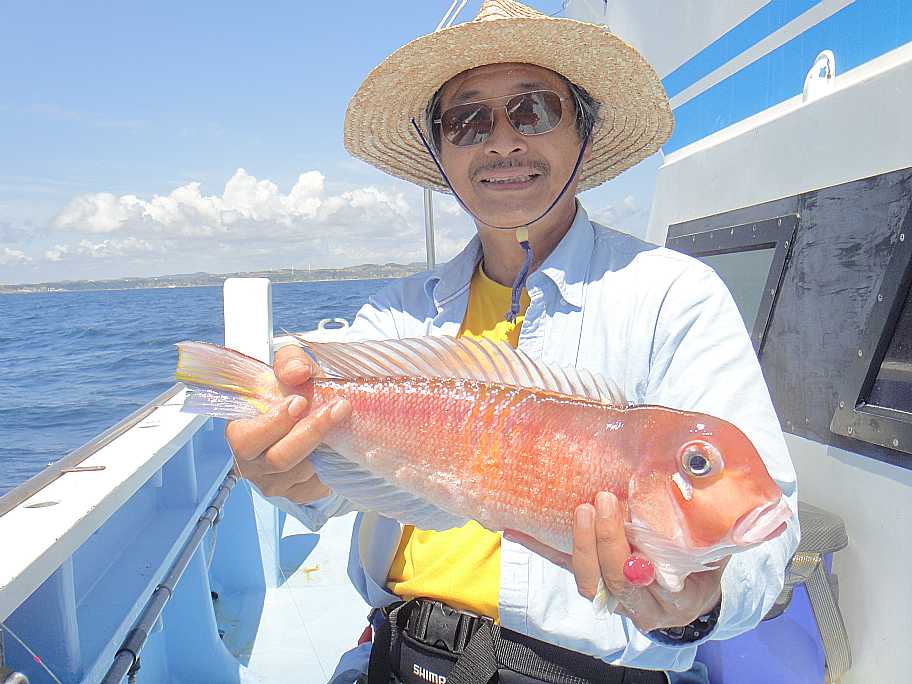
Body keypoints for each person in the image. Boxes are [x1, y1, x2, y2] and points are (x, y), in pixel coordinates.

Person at [225, 1, 800, 682]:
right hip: (395, 655)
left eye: (534, 111)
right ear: (440, 150)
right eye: (467, 121)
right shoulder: (397, 312)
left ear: (584, 133)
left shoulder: (674, 295)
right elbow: (328, 489)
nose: (501, 142)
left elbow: (765, 541)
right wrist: (285, 470)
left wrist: (698, 603)